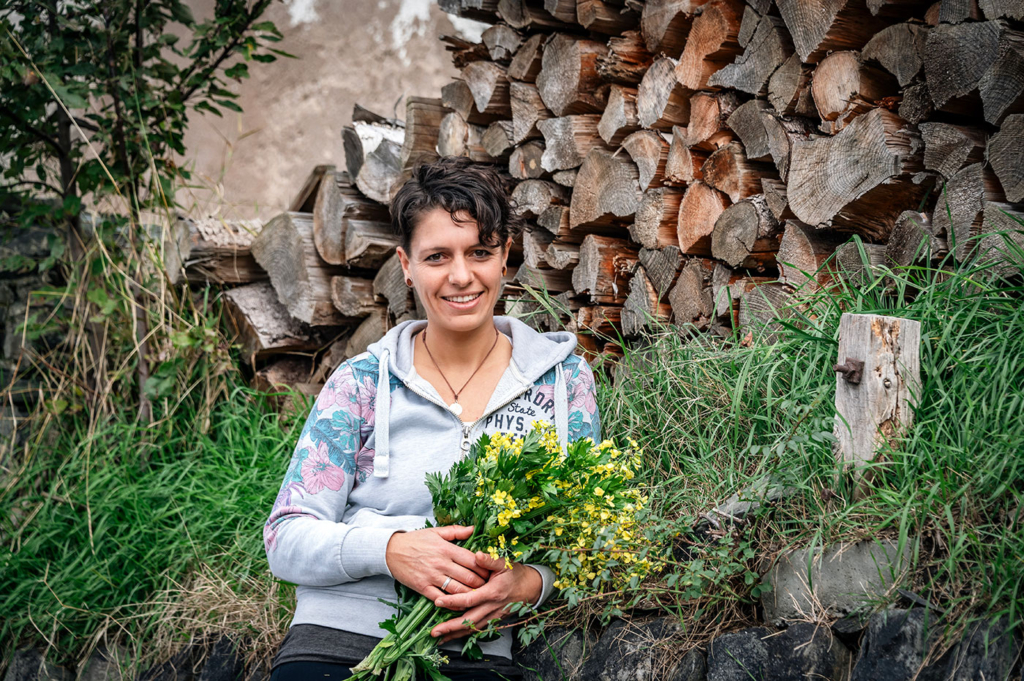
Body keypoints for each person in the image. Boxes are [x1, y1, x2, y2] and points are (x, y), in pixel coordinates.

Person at [264, 157, 602, 680]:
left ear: (505, 257)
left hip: (472, 654)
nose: (461, 275)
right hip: (334, 645)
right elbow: (285, 538)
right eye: (437, 256)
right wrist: (390, 549)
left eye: (480, 253)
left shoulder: (564, 384)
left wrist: (530, 584)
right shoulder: (361, 383)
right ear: (406, 264)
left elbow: (587, 542)